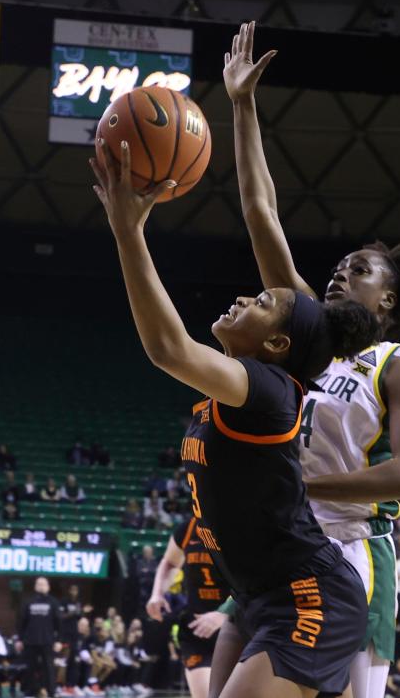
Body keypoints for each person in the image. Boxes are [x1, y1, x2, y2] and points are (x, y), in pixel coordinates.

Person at [91, 111, 376, 698]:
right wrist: (241, 104)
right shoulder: (243, 388)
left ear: (276, 344)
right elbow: (258, 208)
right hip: (262, 594)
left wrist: (128, 232)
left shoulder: (270, 391)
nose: (245, 296)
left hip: (306, 594)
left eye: (262, 302)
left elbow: (169, 347)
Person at [221, 20, 400, 698]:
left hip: (350, 550)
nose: (340, 273)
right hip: (282, 543)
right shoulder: (307, 329)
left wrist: (305, 488)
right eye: (339, 265)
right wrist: (242, 107)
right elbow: (261, 212)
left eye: (360, 269)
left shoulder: (398, 369)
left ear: (390, 295)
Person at [147, 517, 231, 698]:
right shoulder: (189, 527)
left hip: (237, 628)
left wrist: (223, 614)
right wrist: (157, 593)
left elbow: (254, 585)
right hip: (197, 630)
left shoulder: (241, 527)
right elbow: (170, 562)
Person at [19, 577, 60, 698]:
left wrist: (59, 641)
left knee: (49, 668)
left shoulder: (54, 602)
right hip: (30, 641)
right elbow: (22, 622)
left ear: (48, 587)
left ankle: (51, 692)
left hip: (48, 641)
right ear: (35, 586)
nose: (41, 586)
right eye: (39, 584)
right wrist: (20, 639)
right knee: (30, 667)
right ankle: (31, 691)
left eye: (44, 584)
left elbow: (59, 623)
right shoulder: (28, 602)